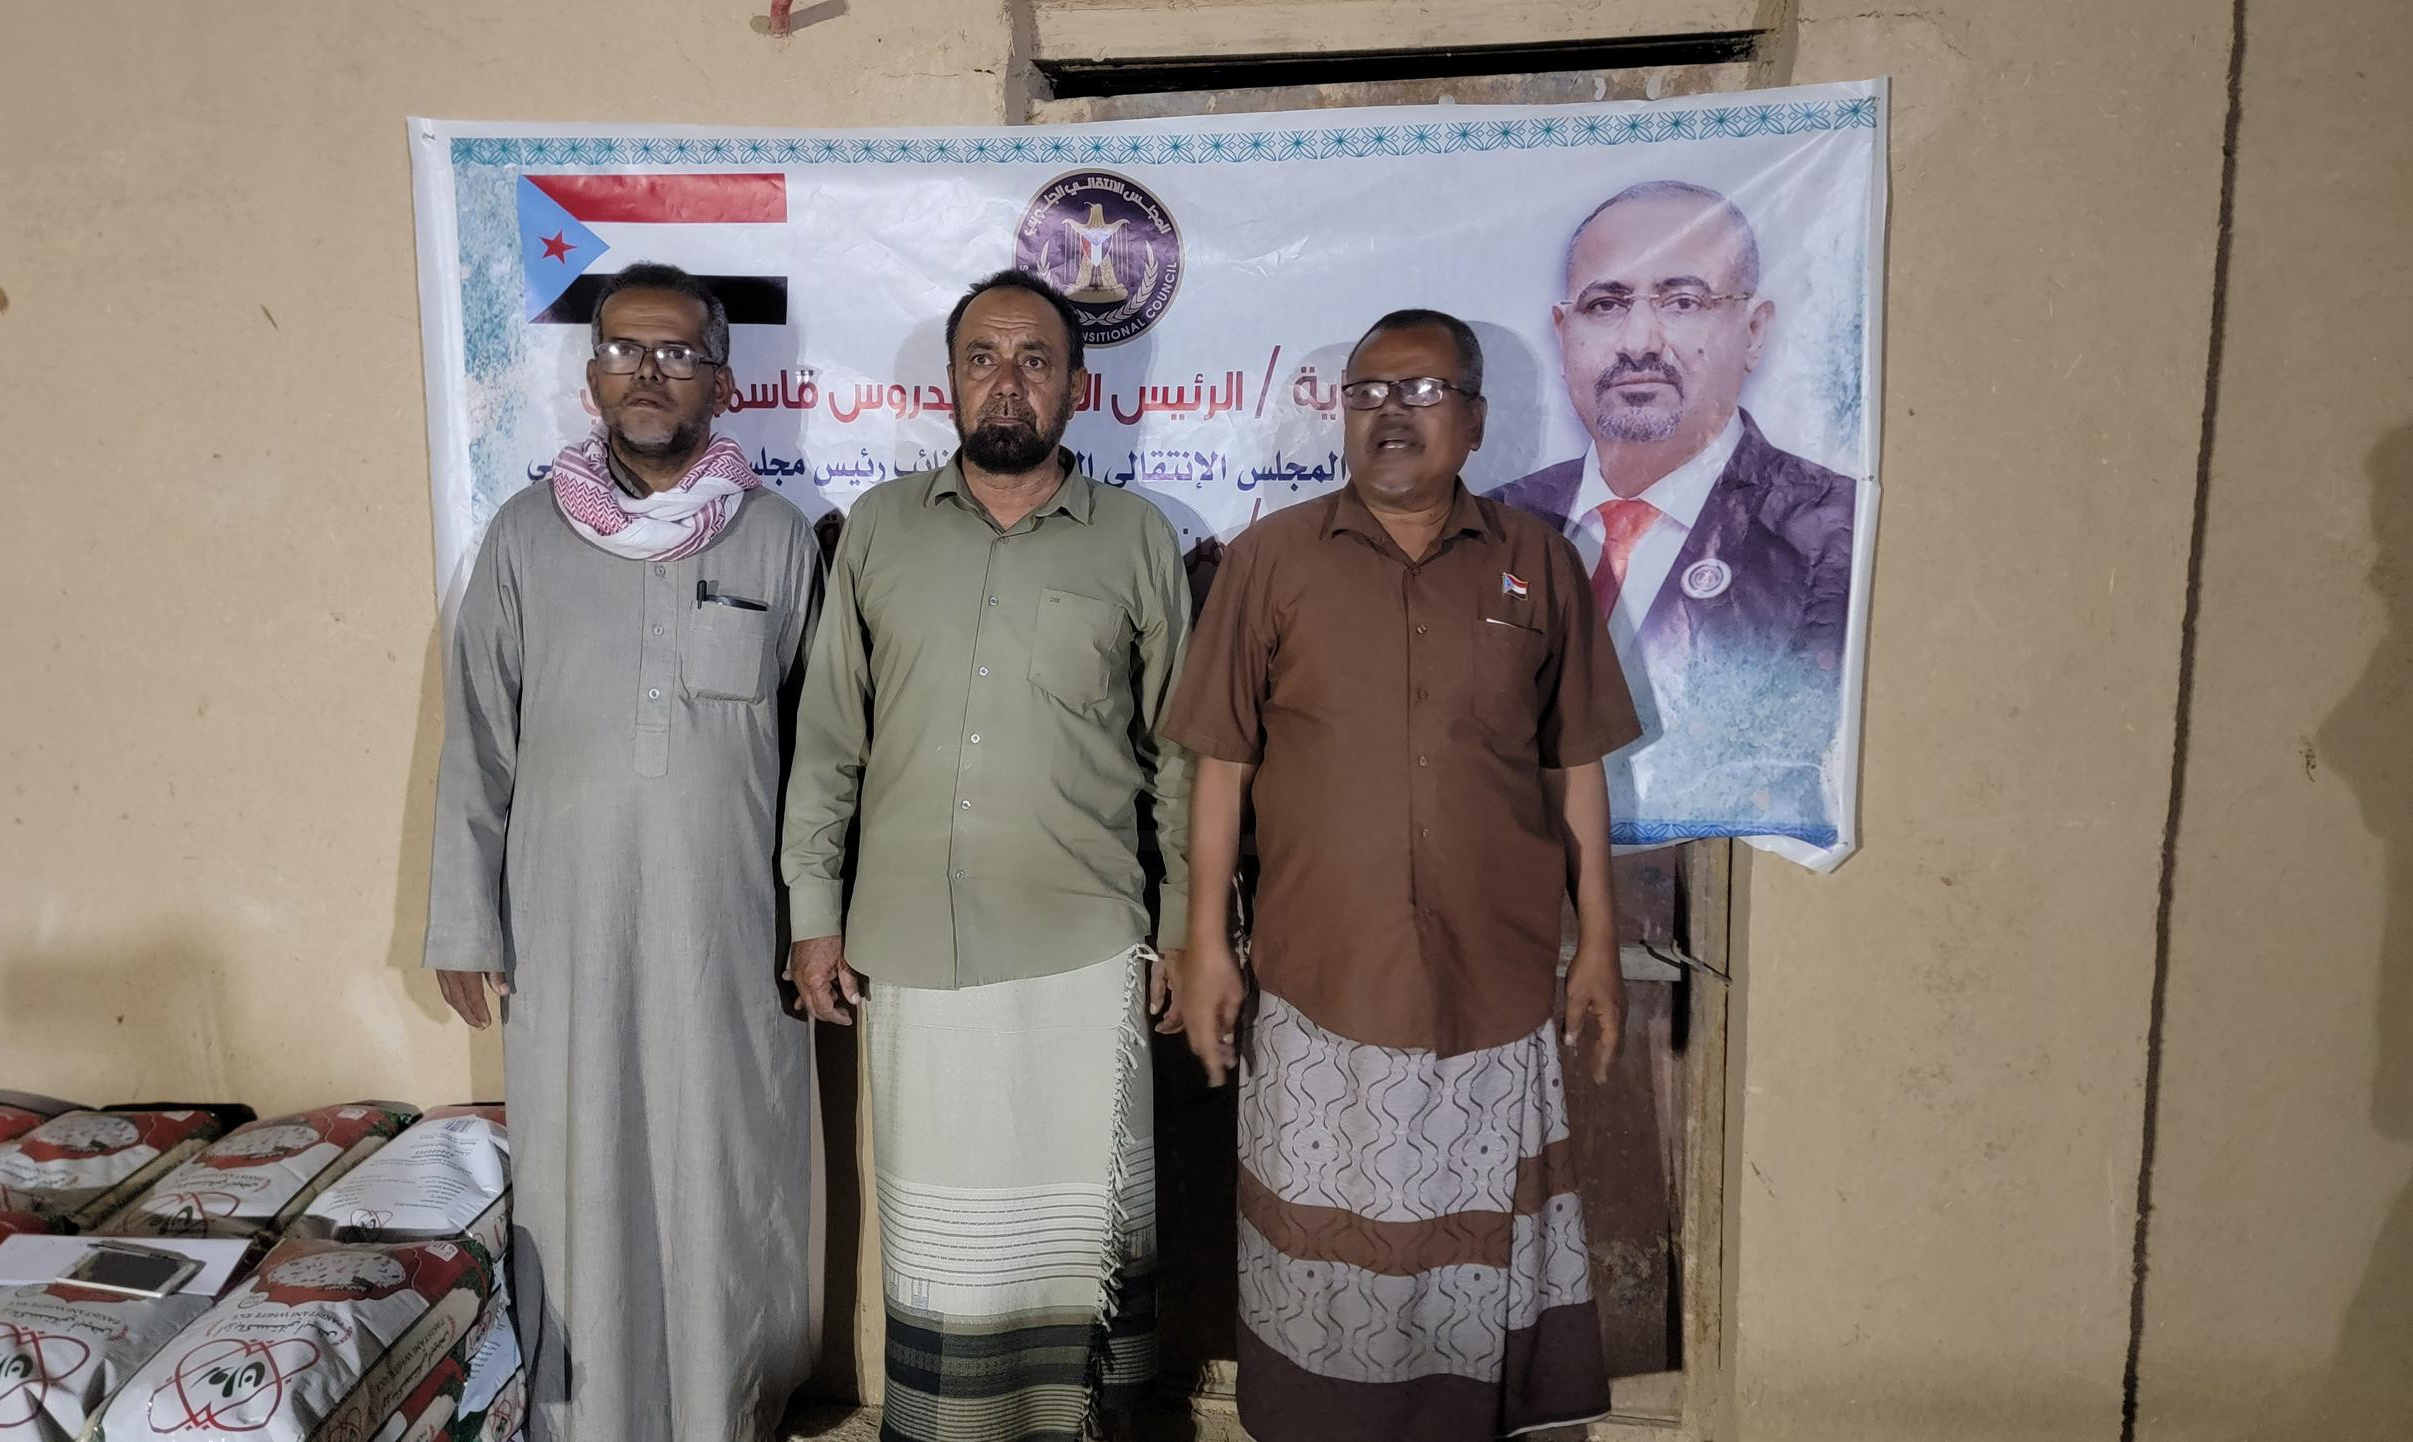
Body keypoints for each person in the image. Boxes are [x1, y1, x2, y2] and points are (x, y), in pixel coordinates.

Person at [1167, 310, 1642, 1442]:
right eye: (1369, 390)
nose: (1391, 411)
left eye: (1423, 391)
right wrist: (1205, 946)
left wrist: (1598, 945)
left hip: (1494, 994)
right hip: (1320, 989)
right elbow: (1221, 767)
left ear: (1474, 421)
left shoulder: (1538, 561)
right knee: (1323, 1285)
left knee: (1474, 1284)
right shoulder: (1272, 559)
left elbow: (1573, 766)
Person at [782, 269, 1193, 1442]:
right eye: (982, 358)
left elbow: (1182, 755)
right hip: (914, 950)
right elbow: (830, 739)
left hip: (1086, 956)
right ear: (949, 383)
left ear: (1078, 388)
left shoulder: (1137, 537)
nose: (1006, 382)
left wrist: (1183, 930)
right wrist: (813, 913)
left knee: (1079, 1242)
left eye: (1034, 360)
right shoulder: (879, 528)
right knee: (944, 1256)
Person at [424, 262, 820, 1441]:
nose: (650, 373)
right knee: (582, 1173)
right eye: (624, 351)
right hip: (567, 931)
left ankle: (725, 1414)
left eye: (679, 353)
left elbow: (820, 759)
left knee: (725, 1174)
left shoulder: (776, 540)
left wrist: (815, 922)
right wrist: (463, 918)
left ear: (724, 381)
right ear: (591, 376)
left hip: (730, 937)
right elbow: (477, 739)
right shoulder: (523, 537)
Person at [1496, 179, 1855, 688]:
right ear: (1563, 333)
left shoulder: (1834, 530)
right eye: (1605, 305)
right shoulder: (1494, 525)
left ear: (1753, 331)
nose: (1638, 342)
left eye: (1683, 302)